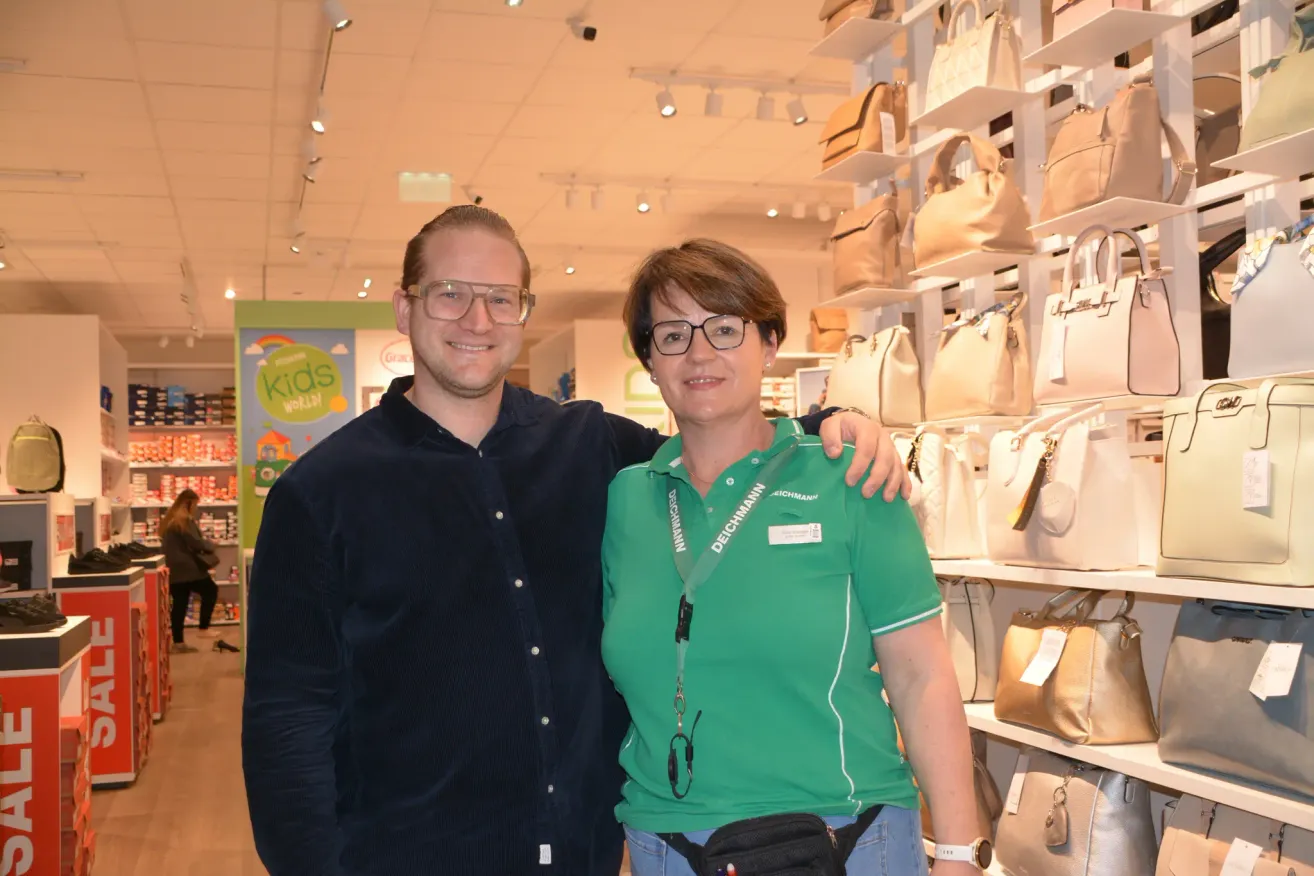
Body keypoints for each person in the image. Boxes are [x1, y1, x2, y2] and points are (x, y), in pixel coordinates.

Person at [241, 206, 911, 876]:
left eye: (501, 298)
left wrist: (835, 422)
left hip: (584, 854)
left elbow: (719, 447)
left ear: (523, 311)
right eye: (450, 294)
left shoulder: (590, 447)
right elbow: (288, 716)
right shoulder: (322, 493)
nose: (478, 321)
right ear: (403, 306)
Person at [602, 240, 986, 876]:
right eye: (672, 334)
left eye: (725, 329)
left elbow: (921, 679)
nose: (699, 353)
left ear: (770, 345)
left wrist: (957, 852)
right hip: (666, 845)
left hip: (845, 837)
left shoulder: (852, 479)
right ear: (649, 359)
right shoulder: (627, 500)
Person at [161, 489, 221, 654]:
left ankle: (178, 642)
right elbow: (196, 543)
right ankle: (203, 628)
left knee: (180, 603)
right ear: (189, 503)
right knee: (210, 590)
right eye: (195, 504)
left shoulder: (169, 520)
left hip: (173, 568)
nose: (196, 508)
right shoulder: (184, 521)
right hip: (188, 568)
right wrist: (212, 544)